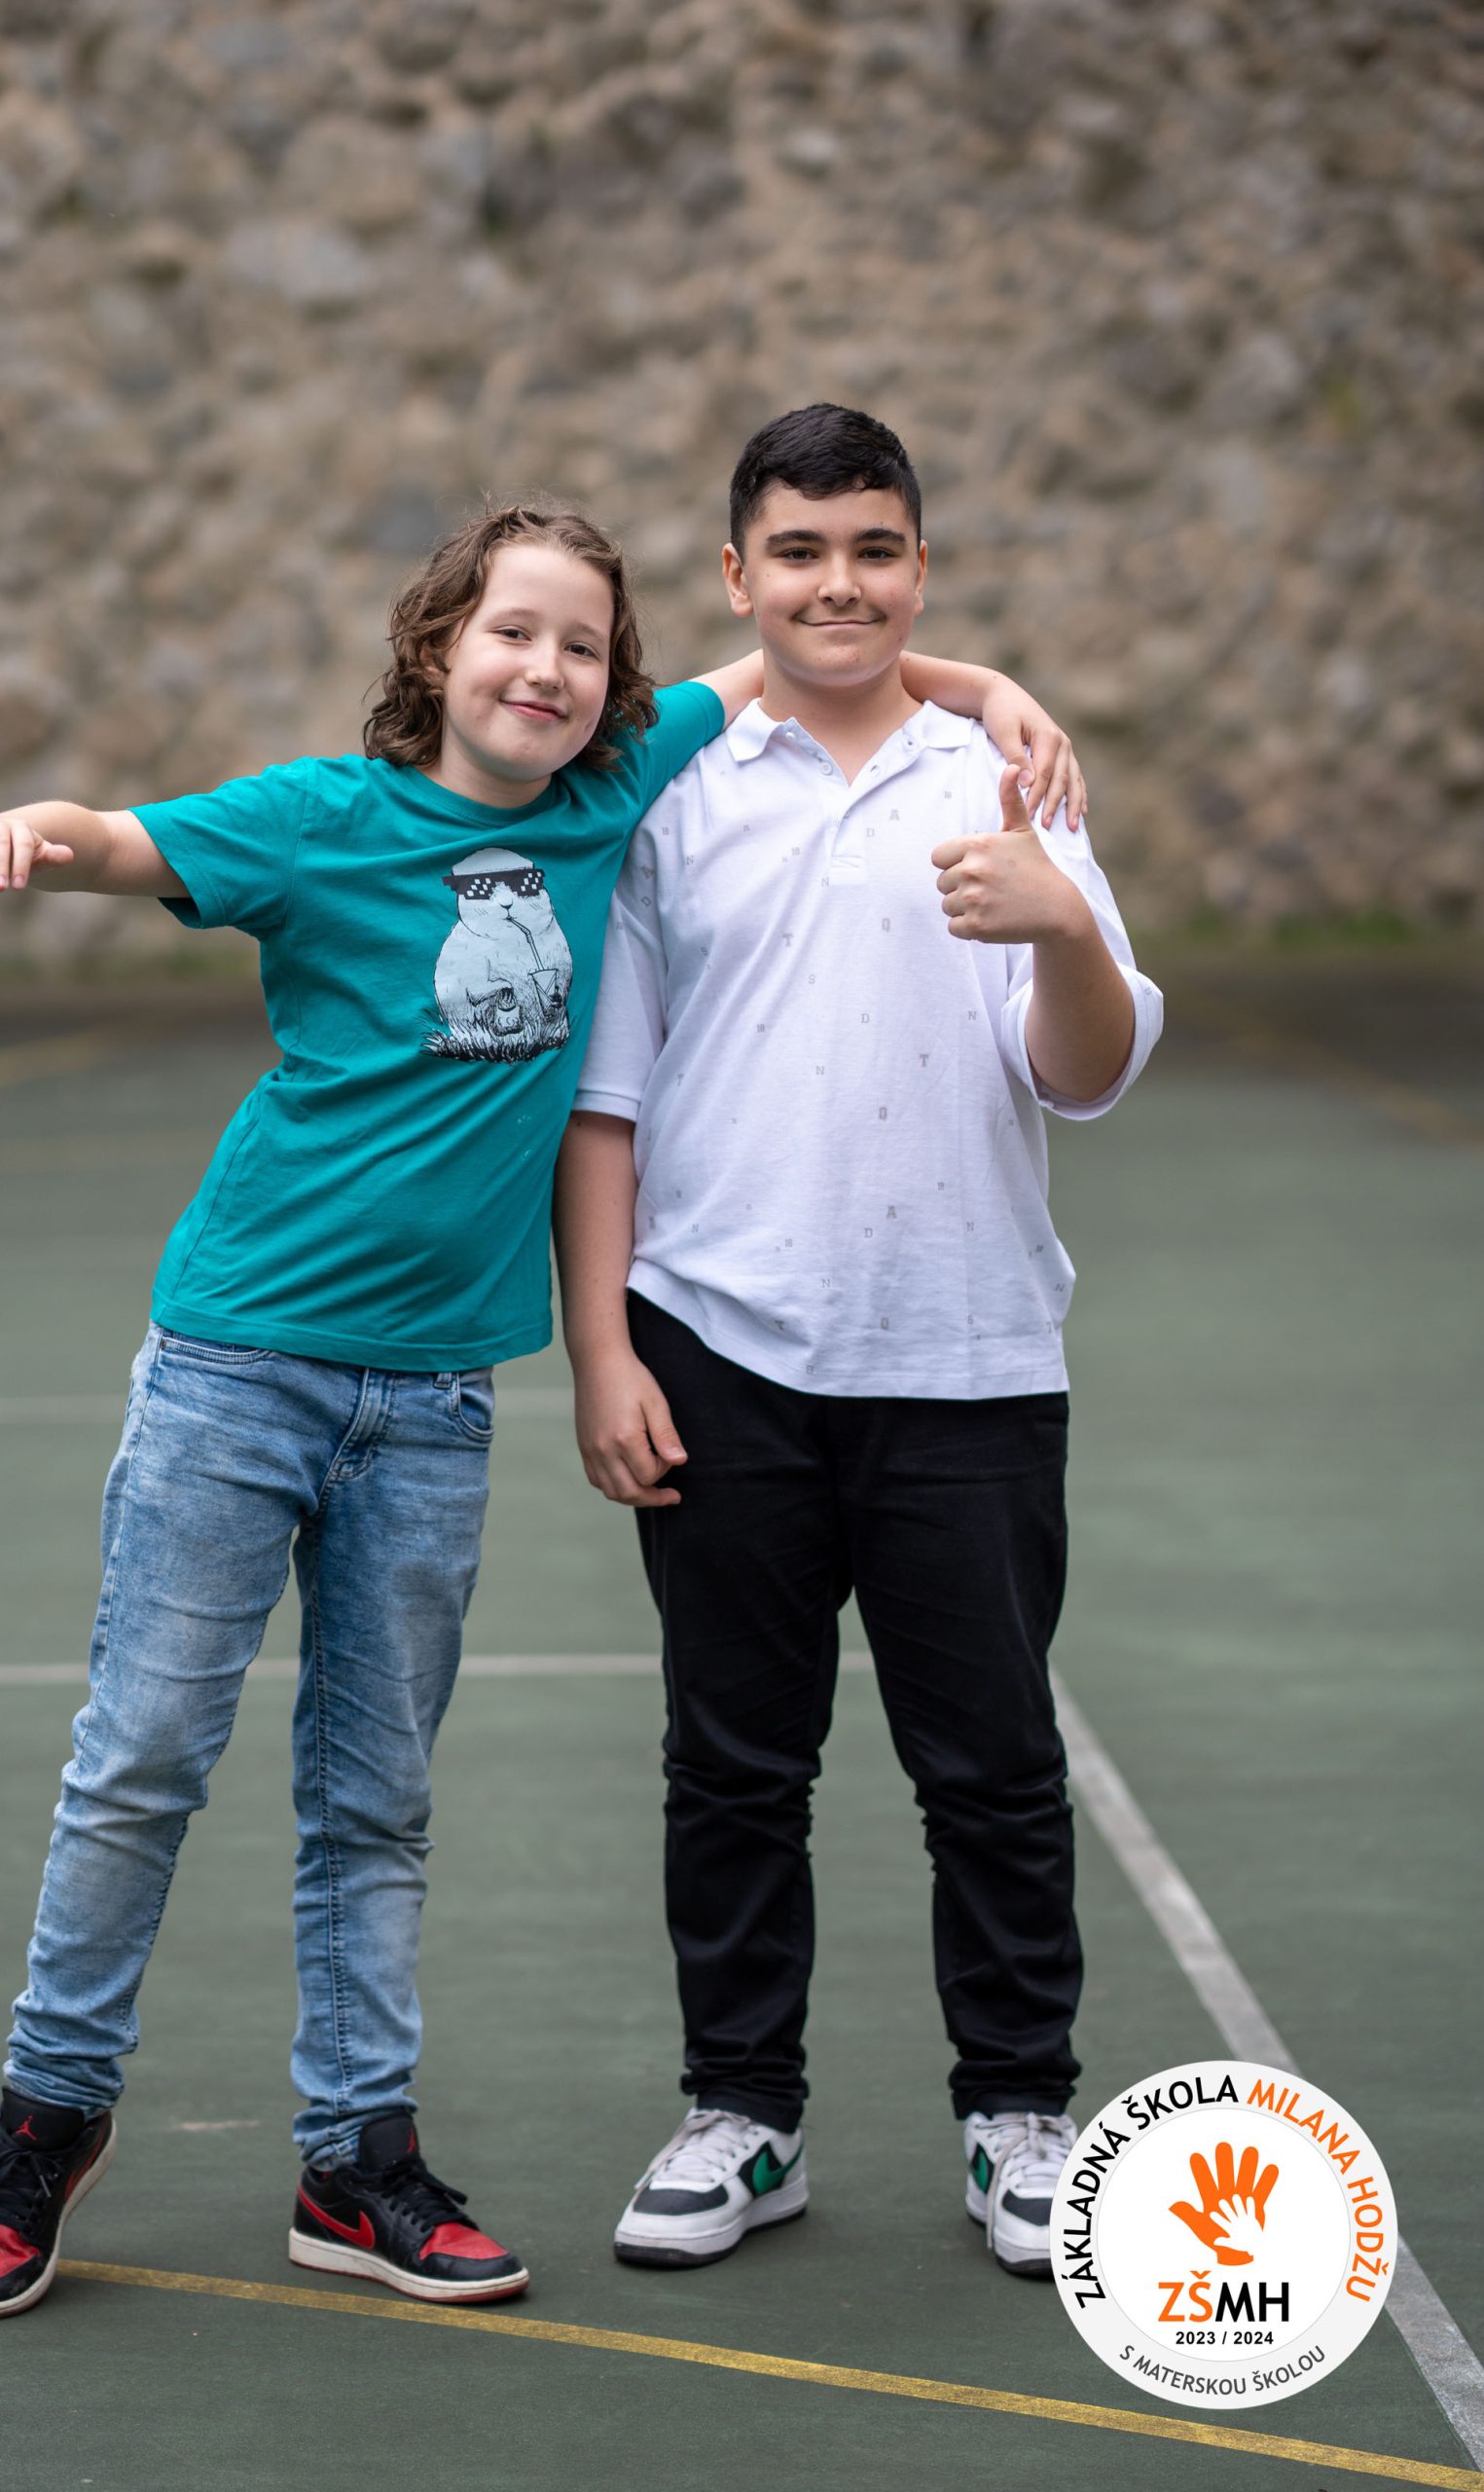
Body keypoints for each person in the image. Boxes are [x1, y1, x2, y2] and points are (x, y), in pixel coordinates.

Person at [0, 497, 1081, 2319]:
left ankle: (354, 2164)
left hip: (431, 1403)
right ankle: (44, 2125)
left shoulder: (610, 794)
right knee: (141, 1757)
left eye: (581, 646)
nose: (544, 668)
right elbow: (124, 838)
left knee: (375, 1803)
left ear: (614, 687)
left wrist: (986, 683)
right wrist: (30, 835)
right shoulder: (322, 818)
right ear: (437, 649)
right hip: (239, 1366)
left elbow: (802, 658)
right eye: (510, 632)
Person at [554, 406, 1163, 2283]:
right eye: (801, 552)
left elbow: (1087, 1071)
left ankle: (1019, 2117)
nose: (841, 584)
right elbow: (605, 1104)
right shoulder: (669, 787)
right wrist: (602, 1355)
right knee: (733, 1766)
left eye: (876, 549)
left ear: (921, 567)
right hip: (717, 1348)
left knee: (991, 1770)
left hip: (968, 1356)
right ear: (738, 576)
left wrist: (1061, 931)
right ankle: (741, 2116)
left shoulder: (1007, 775)